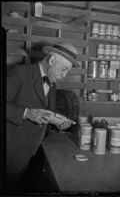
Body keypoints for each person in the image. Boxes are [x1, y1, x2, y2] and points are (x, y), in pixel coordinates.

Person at [6, 42, 78, 194]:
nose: (64, 76)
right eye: (64, 70)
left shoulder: (52, 85)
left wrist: (57, 121)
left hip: (33, 155)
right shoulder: (19, 73)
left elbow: (44, 113)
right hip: (10, 158)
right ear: (52, 61)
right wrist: (26, 113)